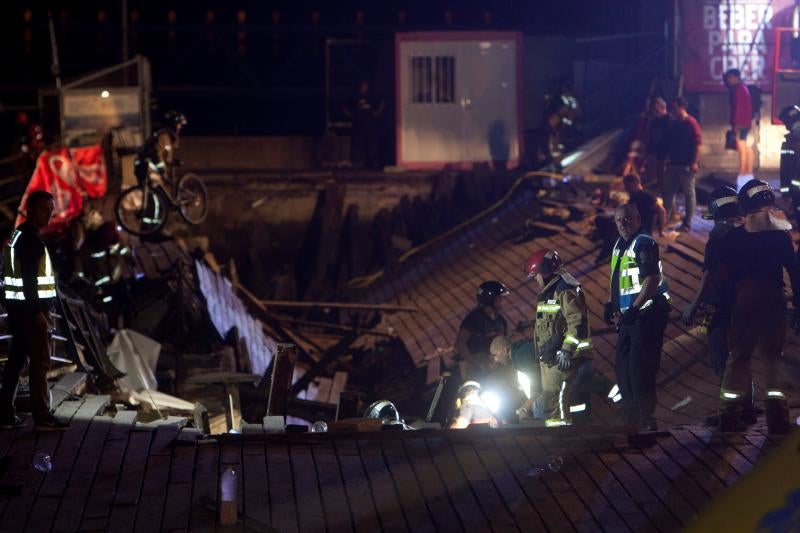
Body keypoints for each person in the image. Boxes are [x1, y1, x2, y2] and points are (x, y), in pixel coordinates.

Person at [711, 179, 799, 433]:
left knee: (738, 357)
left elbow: (723, 274)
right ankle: (777, 417)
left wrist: (722, 307)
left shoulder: (733, 237)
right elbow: (793, 271)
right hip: (773, 297)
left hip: (743, 300)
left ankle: (728, 415)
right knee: (772, 358)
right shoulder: (780, 234)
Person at [0, 190, 70, 431]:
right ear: (32, 210)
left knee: (16, 361)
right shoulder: (31, 240)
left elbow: (9, 275)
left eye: (52, 209)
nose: (50, 213)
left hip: (17, 310)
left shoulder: (16, 235)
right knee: (40, 363)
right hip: (31, 313)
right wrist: (38, 313)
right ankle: (42, 416)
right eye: (45, 209)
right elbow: (29, 279)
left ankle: (5, 412)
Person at [524, 249, 615, 426]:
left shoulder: (563, 290)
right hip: (552, 357)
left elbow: (576, 321)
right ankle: (561, 435)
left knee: (555, 403)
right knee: (554, 402)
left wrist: (566, 350)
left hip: (562, 358)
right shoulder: (551, 292)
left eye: (535, 276)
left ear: (544, 271)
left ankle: (561, 439)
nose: (535, 280)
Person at [604, 204, 670, 431]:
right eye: (619, 220)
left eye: (628, 219)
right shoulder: (620, 245)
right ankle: (631, 417)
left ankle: (646, 419)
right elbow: (618, 279)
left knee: (639, 369)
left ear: (638, 218)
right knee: (623, 368)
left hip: (647, 315)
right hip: (629, 318)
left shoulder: (643, 243)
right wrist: (611, 304)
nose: (623, 223)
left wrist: (633, 308)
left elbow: (652, 279)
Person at [454, 281, 509, 382]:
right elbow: (459, 344)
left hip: (495, 367)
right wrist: (474, 363)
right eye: (499, 298)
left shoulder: (501, 321)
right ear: (491, 300)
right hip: (476, 370)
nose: (502, 301)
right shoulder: (474, 319)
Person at [664, 96, 702, 232]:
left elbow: (698, 144)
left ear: (682, 107)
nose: (672, 111)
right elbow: (672, 144)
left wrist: (695, 162)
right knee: (668, 192)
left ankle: (687, 223)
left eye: (674, 108)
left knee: (688, 193)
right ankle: (664, 220)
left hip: (687, 165)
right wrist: (668, 158)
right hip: (674, 163)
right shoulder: (675, 124)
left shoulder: (691, 123)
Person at [488, 335, 542, 419]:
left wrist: (525, 408)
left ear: (505, 350)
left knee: (540, 409)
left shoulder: (519, 357)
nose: (496, 360)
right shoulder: (522, 350)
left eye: (495, 355)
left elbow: (538, 386)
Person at [134, 110, 187, 185]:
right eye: (179, 124)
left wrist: (171, 161)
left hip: (148, 168)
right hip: (149, 169)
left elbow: (163, 154)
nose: (180, 127)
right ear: (173, 124)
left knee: (156, 191)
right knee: (156, 190)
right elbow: (156, 154)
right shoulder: (164, 137)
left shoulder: (167, 137)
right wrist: (162, 169)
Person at [343, 81, 384, 169]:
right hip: (358, 124)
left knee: (371, 143)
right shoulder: (354, 97)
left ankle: (373, 162)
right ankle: (358, 162)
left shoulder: (372, 97)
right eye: (362, 86)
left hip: (370, 124)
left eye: (365, 86)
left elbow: (381, 103)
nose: (363, 88)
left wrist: (377, 113)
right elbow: (345, 105)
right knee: (358, 143)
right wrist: (350, 114)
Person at [724, 69, 754, 180]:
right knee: (746, 147)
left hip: (741, 123)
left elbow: (739, 109)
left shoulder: (739, 90)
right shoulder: (743, 88)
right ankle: (748, 171)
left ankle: (742, 172)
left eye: (730, 78)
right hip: (745, 123)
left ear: (737, 77)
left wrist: (736, 124)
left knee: (742, 147)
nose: (729, 80)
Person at [645, 97, 671, 194]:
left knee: (666, 183)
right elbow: (652, 137)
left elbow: (671, 140)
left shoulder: (669, 121)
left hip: (666, 157)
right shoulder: (655, 121)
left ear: (662, 107)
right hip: (658, 155)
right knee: (661, 181)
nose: (655, 112)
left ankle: (669, 206)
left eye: (656, 110)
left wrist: (669, 156)